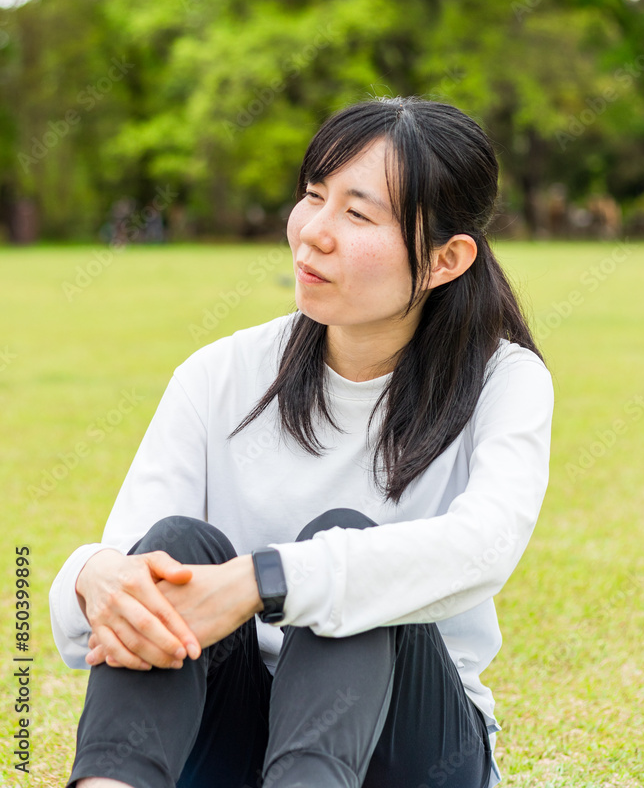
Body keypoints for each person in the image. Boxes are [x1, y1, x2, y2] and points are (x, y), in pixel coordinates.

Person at [49, 96, 554, 788]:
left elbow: (483, 547)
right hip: (233, 746)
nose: (313, 233)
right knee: (172, 548)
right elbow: (130, 574)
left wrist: (265, 580)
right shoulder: (220, 374)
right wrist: (93, 576)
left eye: (357, 214)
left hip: (407, 752)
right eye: (313, 196)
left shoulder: (504, 380)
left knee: (349, 555)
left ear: (446, 259)